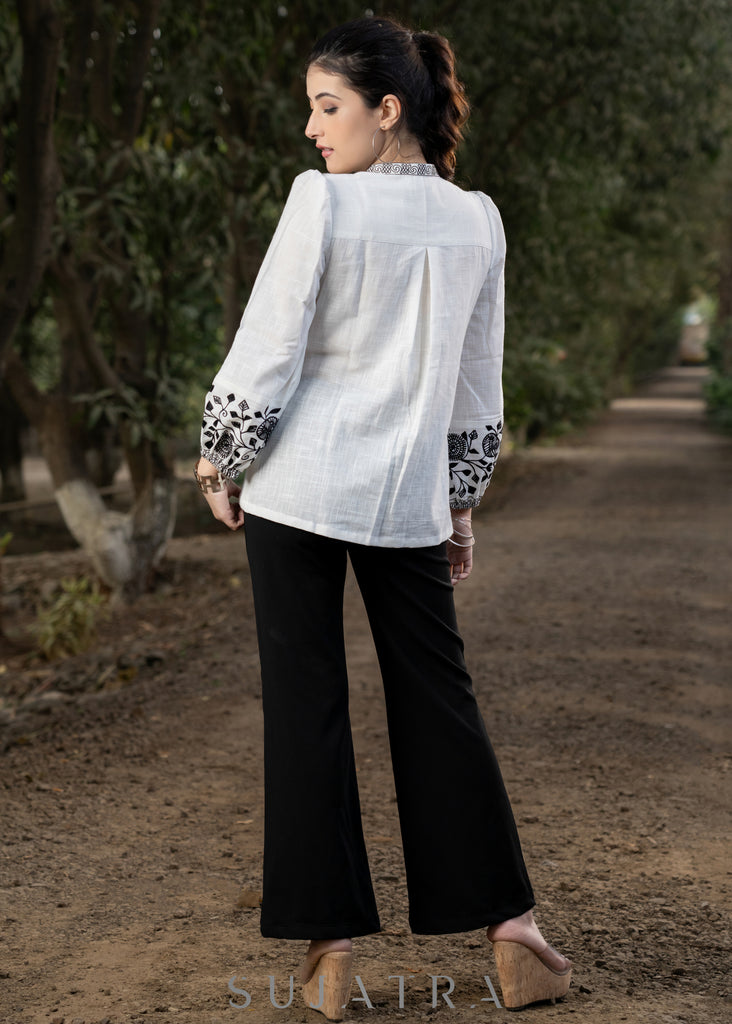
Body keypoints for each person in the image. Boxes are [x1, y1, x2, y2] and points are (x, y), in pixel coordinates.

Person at [194, 16, 572, 1019]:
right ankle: (514, 931)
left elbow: (268, 347)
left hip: (298, 491)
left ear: (386, 109)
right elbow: (473, 390)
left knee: (306, 706)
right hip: (407, 499)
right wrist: (458, 502)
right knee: (439, 700)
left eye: (329, 107)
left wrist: (219, 457)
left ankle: (330, 950)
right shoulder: (478, 219)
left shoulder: (322, 205)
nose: (315, 132)